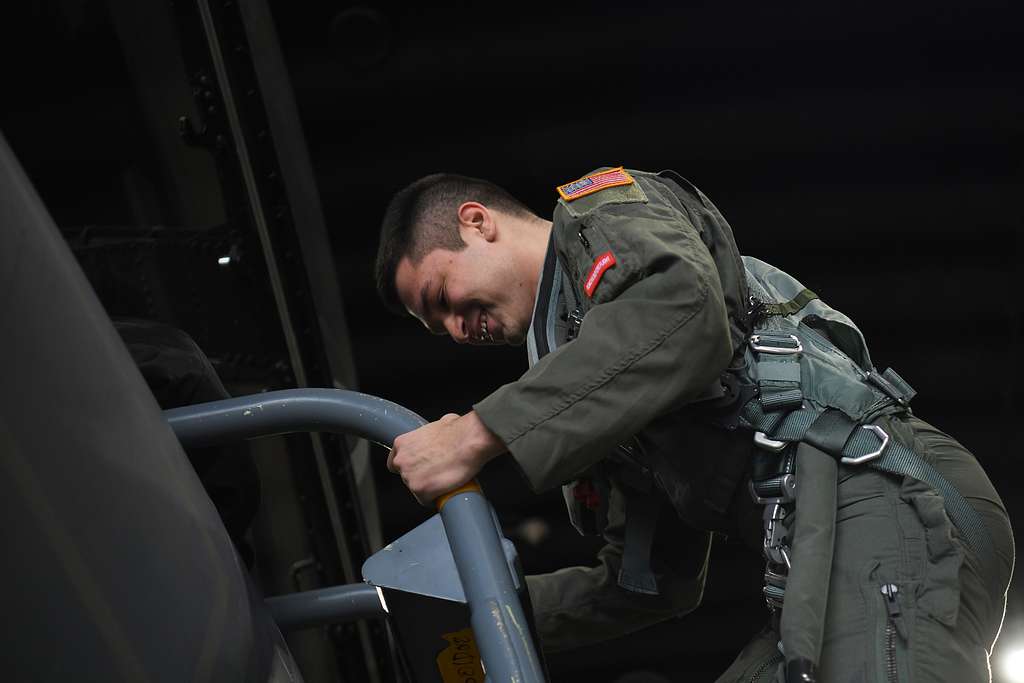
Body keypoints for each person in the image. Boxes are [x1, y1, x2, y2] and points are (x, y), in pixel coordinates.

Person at [374, 167, 1013, 682]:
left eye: (442, 298)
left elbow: (681, 314)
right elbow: (651, 582)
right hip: (815, 552)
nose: (458, 331)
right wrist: (486, 614)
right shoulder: (595, 390)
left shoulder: (598, 217)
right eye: (439, 329)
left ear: (477, 223)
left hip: (885, 494)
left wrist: (477, 434)